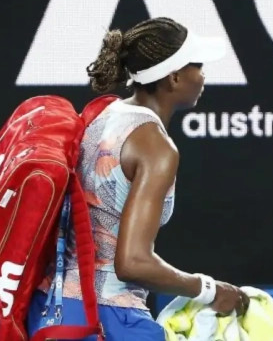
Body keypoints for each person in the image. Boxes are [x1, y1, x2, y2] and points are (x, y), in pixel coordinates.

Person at [26, 17, 250, 340]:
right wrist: (210, 290)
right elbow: (132, 262)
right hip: (106, 319)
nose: (202, 76)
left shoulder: (102, 115)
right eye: (197, 66)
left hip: (50, 312)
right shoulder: (156, 147)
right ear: (174, 77)